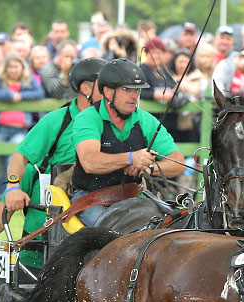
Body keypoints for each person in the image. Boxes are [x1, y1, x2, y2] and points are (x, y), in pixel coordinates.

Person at [0, 58, 107, 262]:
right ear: (85, 88)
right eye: (106, 86)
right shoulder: (56, 121)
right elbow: (20, 157)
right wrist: (13, 186)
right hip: (45, 229)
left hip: (97, 205)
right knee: (28, 175)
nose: (112, 93)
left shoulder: (113, 122)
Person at [69, 58, 186, 225]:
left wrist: (148, 168)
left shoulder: (145, 120)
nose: (133, 97)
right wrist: (131, 158)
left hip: (134, 198)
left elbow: (178, 162)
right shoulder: (88, 118)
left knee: (168, 227)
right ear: (108, 92)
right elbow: (89, 161)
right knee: (112, 232)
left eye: (136, 91)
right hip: (92, 199)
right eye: (126, 90)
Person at [0, 54, 45, 199]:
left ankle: (11, 189)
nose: (13, 70)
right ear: (5, 69)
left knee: (14, 157)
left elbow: (40, 93)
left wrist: (21, 95)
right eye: (10, 67)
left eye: (16, 67)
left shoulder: (28, 81)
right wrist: (8, 94)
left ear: (21, 68)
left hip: (19, 128)